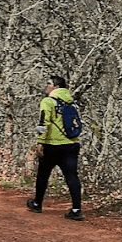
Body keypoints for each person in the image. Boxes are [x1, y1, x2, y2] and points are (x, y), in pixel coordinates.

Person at [26, 76, 83, 220]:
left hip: (52, 145)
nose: (47, 86)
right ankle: (76, 209)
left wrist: (40, 142)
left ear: (56, 86)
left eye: (49, 84)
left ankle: (37, 203)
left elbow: (43, 122)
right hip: (71, 144)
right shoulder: (72, 103)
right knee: (72, 176)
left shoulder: (48, 102)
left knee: (43, 174)